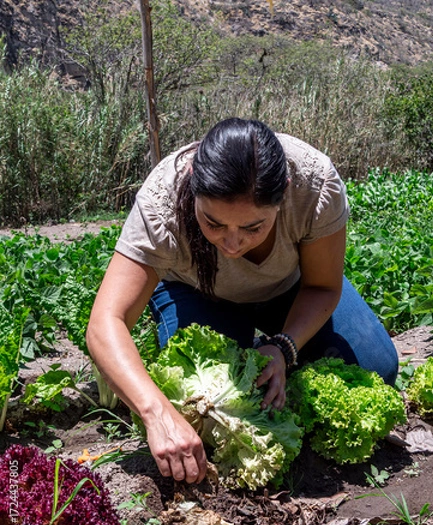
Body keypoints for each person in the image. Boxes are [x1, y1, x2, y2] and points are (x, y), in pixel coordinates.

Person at [86, 117, 398, 485]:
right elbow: (106, 322)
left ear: (284, 190)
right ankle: (245, 349)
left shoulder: (315, 183)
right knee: (209, 405)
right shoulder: (162, 199)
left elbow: (322, 288)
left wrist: (283, 347)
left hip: (291, 290)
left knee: (376, 368)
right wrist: (158, 414)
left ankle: (264, 354)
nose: (232, 244)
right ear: (191, 179)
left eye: (253, 227)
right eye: (213, 223)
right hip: (198, 294)